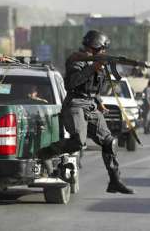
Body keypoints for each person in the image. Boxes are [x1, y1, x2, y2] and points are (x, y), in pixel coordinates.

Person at [37, 30, 134, 194]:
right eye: (103, 49)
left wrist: (99, 102)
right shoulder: (76, 60)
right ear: (96, 47)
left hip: (90, 105)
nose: (104, 52)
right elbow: (72, 84)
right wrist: (92, 68)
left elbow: (93, 88)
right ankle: (44, 153)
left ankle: (115, 181)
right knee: (78, 142)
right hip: (75, 104)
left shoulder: (97, 62)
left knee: (110, 142)